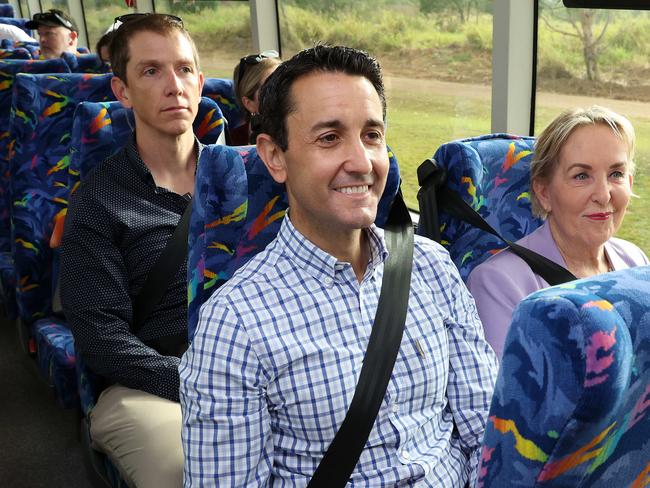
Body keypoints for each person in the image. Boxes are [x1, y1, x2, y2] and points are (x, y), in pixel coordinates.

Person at [180, 45, 497, 487]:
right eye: (329, 138)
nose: (362, 162)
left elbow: (486, 429)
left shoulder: (431, 267)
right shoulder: (235, 323)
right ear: (274, 157)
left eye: (372, 136)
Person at [60, 13, 205, 488]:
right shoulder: (98, 202)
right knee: (185, 470)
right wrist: (202, 385)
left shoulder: (249, 182)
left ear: (201, 83)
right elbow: (103, 338)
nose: (173, 86)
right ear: (122, 92)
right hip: (149, 384)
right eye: (151, 71)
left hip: (258, 368)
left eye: (184, 69)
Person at [467, 105, 649, 359]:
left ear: (629, 183)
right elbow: (511, 395)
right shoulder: (499, 283)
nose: (604, 194)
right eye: (581, 176)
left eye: (616, 174)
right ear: (544, 192)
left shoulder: (635, 262)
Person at [230, 50, 281, 145]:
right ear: (249, 104)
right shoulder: (234, 143)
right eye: (269, 88)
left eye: (282, 82)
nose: (281, 91)